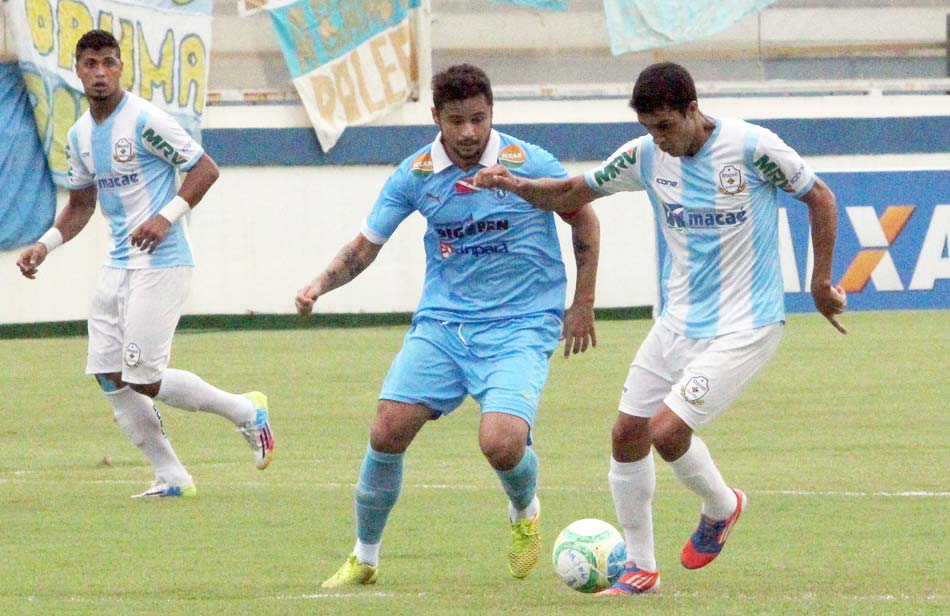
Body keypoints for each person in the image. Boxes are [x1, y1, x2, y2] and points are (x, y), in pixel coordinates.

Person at [474, 62, 847, 596]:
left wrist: (820, 280)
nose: (659, 140)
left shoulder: (753, 146)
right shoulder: (646, 155)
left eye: (666, 127)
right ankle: (641, 570)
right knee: (626, 434)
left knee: (667, 431)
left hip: (747, 323)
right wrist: (514, 185)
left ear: (692, 110)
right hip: (678, 321)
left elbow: (821, 198)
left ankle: (721, 506)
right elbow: (572, 192)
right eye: (650, 128)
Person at [296, 63, 600, 587]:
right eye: (455, 120)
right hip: (444, 324)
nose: (467, 133)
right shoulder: (414, 175)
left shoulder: (529, 162)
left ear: (492, 113)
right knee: (387, 431)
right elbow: (366, 246)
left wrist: (584, 302)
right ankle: (364, 556)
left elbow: (585, 218)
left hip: (522, 323)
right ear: (435, 116)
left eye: (478, 119)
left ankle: (524, 511)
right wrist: (320, 284)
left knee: (501, 443)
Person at [16, 29, 275, 498]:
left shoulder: (145, 120)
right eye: (90, 64)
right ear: (77, 70)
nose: (99, 72)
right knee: (110, 375)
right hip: (118, 264)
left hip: (163, 260)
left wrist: (165, 217)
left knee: (145, 378)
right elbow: (80, 205)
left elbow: (205, 169)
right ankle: (172, 477)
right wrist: (45, 244)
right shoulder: (79, 135)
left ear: (120, 68)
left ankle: (245, 411)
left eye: (108, 63)